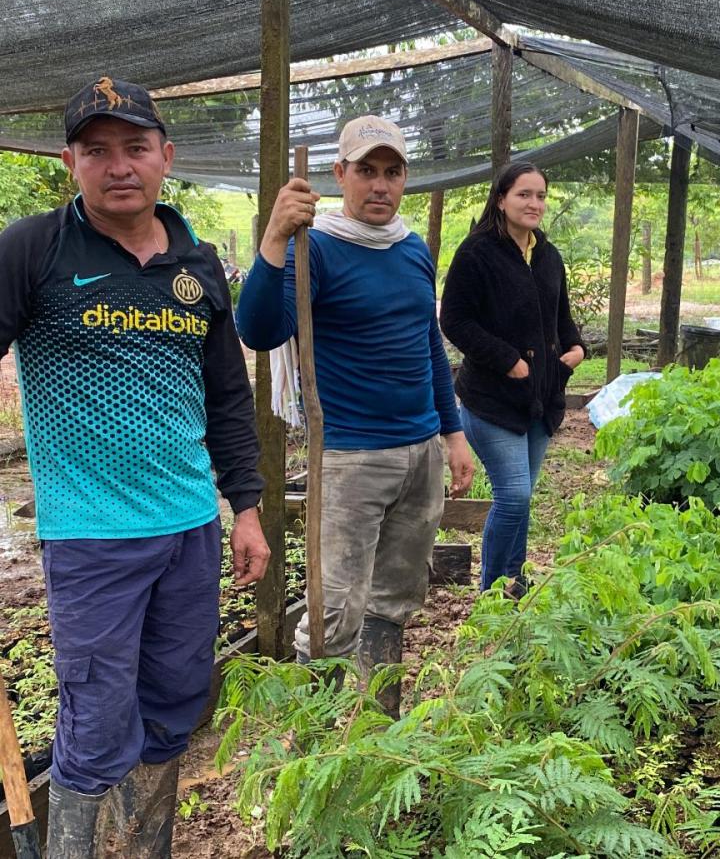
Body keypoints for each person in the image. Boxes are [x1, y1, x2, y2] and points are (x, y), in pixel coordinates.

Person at [0, 77, 269, 855]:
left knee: (176, 702)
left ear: (166, 157)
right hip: (91, 536)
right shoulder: (35, 249)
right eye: (97, 151)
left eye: (135, 147)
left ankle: (146, 844)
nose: (119, 166)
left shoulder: (197, 264)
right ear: (70, 163)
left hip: (189, 527)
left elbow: (227, 396)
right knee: (95, 719)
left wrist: (247, 510)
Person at [236, 115, 472, 711]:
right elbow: (259, 330)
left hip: (420, 453)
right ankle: (314, 742)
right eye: (367, 171)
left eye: (392, 172)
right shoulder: (314, 248)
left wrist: (452, 434)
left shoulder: (412, 249)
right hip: (349, 457)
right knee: (334, 610)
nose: (380, 185)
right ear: (340, 174)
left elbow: (428, 345)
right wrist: (273, 239)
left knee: (394, 599)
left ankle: (378, 727)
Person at [439, 161, 585, 594]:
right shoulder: (476, 253)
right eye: (524, 194)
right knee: (514, 494)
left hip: (540, 399)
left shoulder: (548, 255)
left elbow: (560, 316)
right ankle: (492, 591)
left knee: (520, 499)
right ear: (501, 199)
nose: (534, 203)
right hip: (492, 399)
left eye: (541, 195)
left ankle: (514, 582)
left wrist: (575, 349)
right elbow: (454, 321)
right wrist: (507, 360)